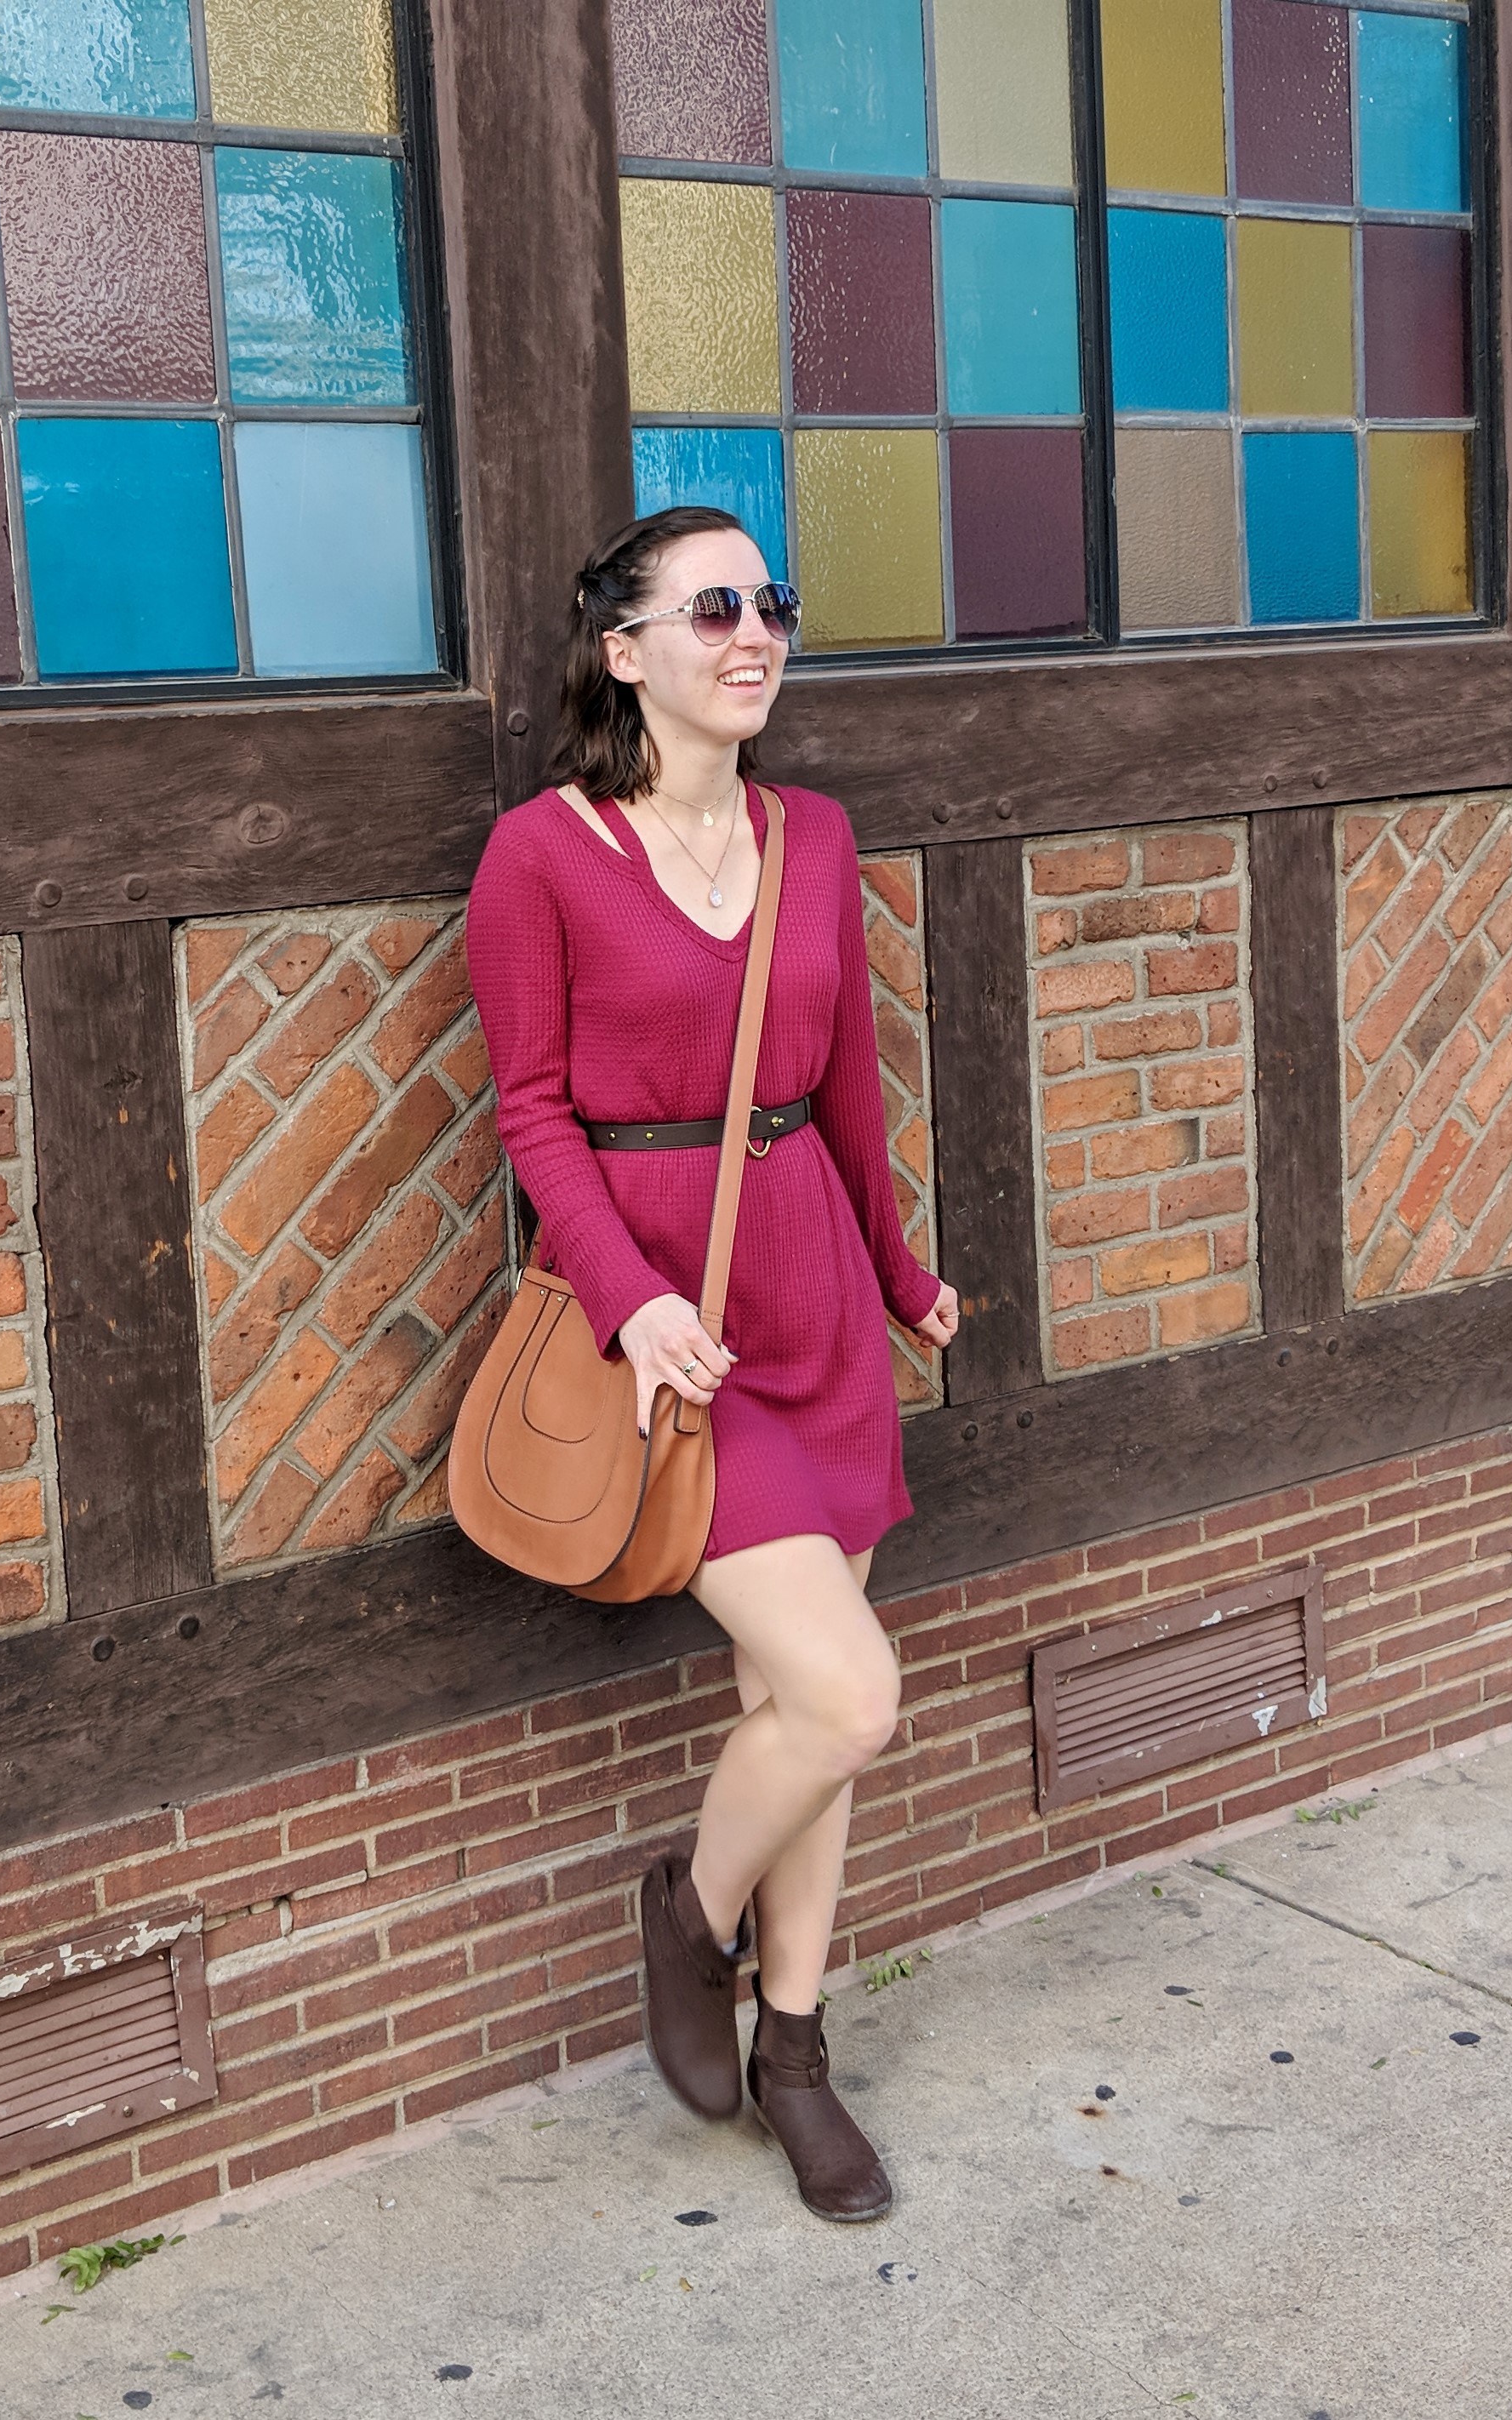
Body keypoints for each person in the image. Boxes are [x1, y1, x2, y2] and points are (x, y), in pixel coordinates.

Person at [465, 505, 961, 2222]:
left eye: (774, 607)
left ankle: (797, 2052)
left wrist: (900, 1274)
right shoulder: (542, 855)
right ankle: (690, 1917)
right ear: (624, 649)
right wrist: (619, 1296)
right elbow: (531, 1106)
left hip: (815, 1292)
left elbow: (845, 1083)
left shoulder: (810, 834)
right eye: (716, 608)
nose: (756, 635)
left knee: (797, 1719)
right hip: (679, 1330)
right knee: (849, 1695)